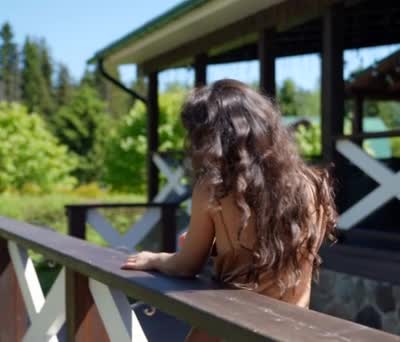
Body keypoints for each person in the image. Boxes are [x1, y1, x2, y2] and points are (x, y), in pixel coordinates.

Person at [121, 79, 337, 341]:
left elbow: (186, 266)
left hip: (229, 329)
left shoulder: (215, 188)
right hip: (292, 331)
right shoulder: (310, 186)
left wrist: (154, 259)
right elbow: (273, 247)